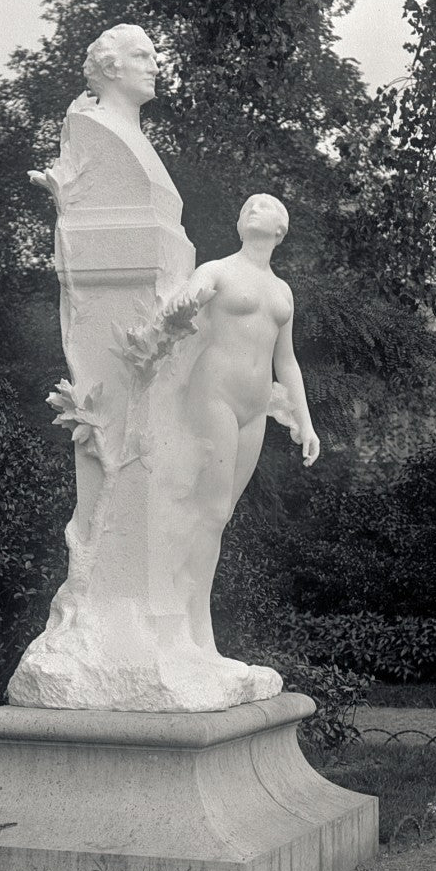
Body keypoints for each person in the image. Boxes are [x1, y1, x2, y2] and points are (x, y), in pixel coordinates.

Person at [173, 192, 319, 651]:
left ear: (281, 229)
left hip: (255, 407)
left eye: (265, 205)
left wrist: (306, 421)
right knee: (212, 510)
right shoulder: (217, 269)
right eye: (247, 207)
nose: (253, 208)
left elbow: (288, 362)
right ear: (240, 226)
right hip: (213, 393)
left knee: (218, 515)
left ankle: (187, 614)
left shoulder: (283, 291)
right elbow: (181, 305)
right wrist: (188, 299)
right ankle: (194, 627)